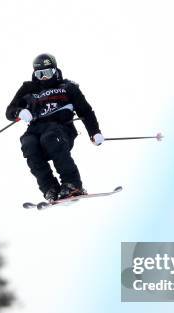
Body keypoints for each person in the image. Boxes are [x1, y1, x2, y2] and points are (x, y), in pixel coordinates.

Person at [6, 53, 104, 202]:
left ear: (55, 70)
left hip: (61, 129)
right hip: (35, 129)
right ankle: (50, 188)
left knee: (50, 137)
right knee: (28, 144)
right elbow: (9, 111)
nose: (44, 78)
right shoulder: (28, 88)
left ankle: (72, 184)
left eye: (47, 73)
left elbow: (86, 111)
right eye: (40, 74)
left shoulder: (67, 87)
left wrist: (95, 132)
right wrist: (19, 111)